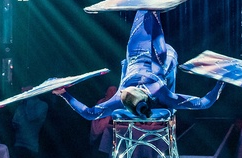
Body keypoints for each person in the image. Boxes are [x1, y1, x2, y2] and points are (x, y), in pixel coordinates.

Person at [54, 9, 224, 120]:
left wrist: (64, 94)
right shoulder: (158, 89)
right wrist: (222, 80)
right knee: (163, 57)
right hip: (164, 60)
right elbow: (203, 103)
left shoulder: (119, 98)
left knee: (143, 10)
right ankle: (152, 7)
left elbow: (90, 113)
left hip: (136, 54)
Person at [12, 86, 48, 158]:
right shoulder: (21, 106)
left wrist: (29, 98)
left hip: (32, 146)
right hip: (18, 144)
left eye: (26, 90)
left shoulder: (42, 105)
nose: (23, 91)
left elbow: (31, 116)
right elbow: (14, 123)